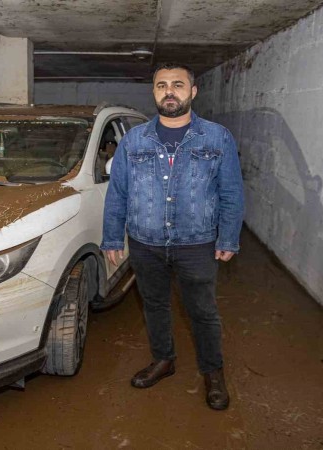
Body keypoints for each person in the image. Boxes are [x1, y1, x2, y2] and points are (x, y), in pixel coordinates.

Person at [101, 62, 244, 410]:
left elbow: (231, 191)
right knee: (154, 305)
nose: (169, 91)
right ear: (154, 92)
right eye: (161, 85)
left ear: (192, 92)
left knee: (203, 312)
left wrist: (228, 237)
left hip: (197, 242)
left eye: (178, 85)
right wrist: (112, 237)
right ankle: (163, 360)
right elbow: (118, 192)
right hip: (145, 242)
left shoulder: (217, 137)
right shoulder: (134, 140)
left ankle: (213, 372)